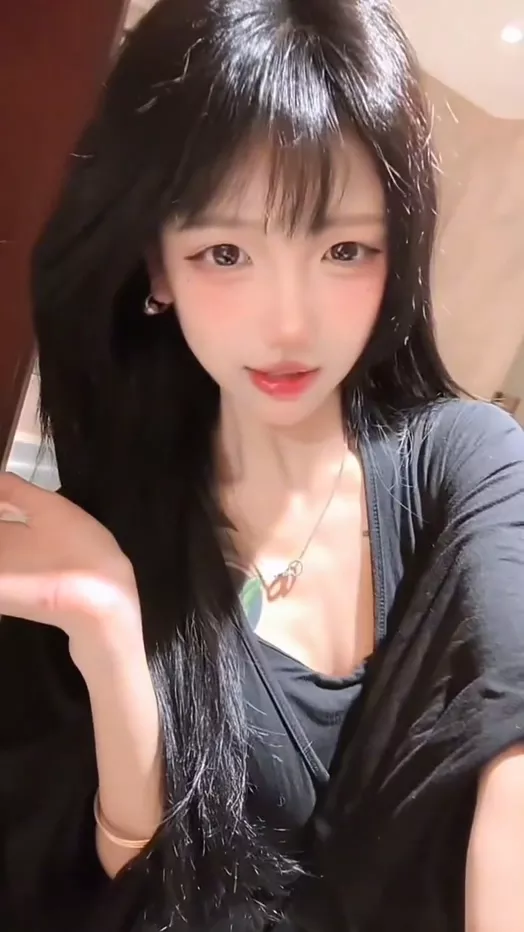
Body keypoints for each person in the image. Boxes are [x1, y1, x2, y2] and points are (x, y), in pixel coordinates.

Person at [1, 0, 524, 930]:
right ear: (156, 268)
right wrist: (114, 642)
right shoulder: (102, 543)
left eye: (344, 249)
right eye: (227, 252)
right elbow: (116, 898)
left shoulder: (468, 466)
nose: (290, 323)